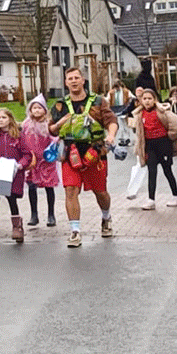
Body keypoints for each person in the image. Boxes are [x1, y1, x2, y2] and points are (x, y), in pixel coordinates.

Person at [48, 65, 119, 248]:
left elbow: (111, 121)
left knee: (100, 192)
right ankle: (75, 231)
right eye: (70, 79)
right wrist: (61, 123)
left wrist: (110, 136)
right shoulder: (59, 105)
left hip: (94, 153)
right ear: (66, 82)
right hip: (70, 154)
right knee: (70, 190)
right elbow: (51, 129)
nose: (73, 81)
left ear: (83, 80)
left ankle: (106, 217)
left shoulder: (98, 101)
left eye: (76, 78)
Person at [133, 89, 177, 210]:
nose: (147, 101)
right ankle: (151, 199)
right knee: (152, 172)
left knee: (167, 171)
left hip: (163, 144)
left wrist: (170, 136)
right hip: (150, 145)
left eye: (150, 98)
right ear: (141, 100)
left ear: (155, 100)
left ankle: (175, 196)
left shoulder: (162, 111)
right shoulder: (139, 114)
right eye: (144, 98)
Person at [0, 107, 32, 242]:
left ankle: (17, 222)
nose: (1, 120)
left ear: (10, 119)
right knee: (9, 196)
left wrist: (20, 165)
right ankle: (16, 225)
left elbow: (26, 154)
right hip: (2, 172)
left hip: (16, 171)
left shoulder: (18, 135)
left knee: (14, 195)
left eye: (4, 118)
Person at [21, 94, 60, 227]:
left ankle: (51, 214)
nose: (36, 110)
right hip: (32, 161)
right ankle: (34, 214)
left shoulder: (49, 124)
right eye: (34, 108)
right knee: (32, 187)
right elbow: (22, 140)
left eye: (39, 108)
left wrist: (53, 146)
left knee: (49, 187)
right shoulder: (26, 124)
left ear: (44, 110)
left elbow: (54, 138)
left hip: (47, 161)